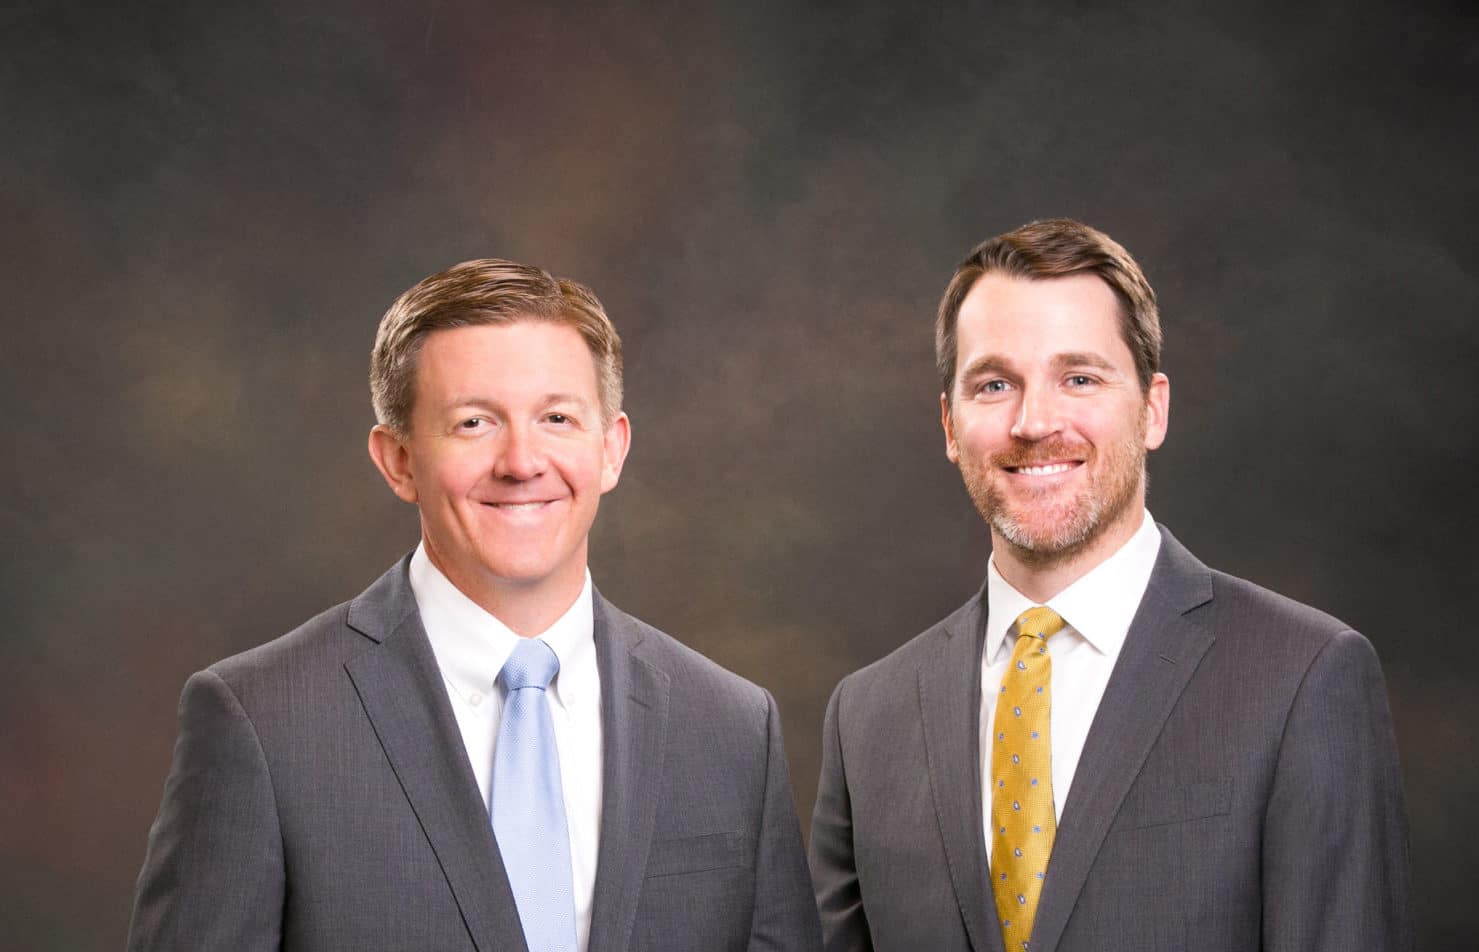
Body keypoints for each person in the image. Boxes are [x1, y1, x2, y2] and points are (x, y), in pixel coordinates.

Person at [128, 259, 821, 952]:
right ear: (398, 460)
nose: (521, 461)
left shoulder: (729, 726)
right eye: (473, 423)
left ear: (610, 450)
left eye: (556, 417)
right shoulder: (260, 719)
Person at [807, 219, 1411, 952]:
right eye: (994, 384)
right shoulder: (869, 716)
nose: (1034, 421)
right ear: (948, 422)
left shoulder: (1300, 677)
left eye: (1079, 378)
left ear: (1152, 408)